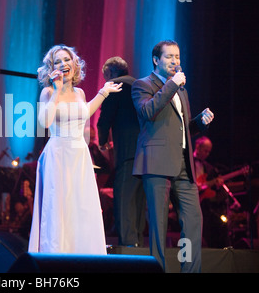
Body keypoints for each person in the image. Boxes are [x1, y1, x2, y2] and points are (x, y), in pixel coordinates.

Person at [28, 44, 122, 254]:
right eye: (58, 62)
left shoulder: (80, 92)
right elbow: (44, 122)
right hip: (58, 154)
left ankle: (83, 256)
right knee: (58, 208)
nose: (63, 64)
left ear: (74, 63)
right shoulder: (48, 91)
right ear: (52, 68)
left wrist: (103, 92)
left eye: (66, 60)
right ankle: (54, 257)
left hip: (79, 155)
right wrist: (57, 90)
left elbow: (85, 111)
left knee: (81, 207)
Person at [131, 40, 214, 273]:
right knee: (158, 225)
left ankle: (190, 270)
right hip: (156, 163)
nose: (175, 62)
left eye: (177, 57)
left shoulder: (181, 90)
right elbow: (148, 111)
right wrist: (172, 85)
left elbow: (181, 129)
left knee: (193, 222)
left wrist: (199, 122)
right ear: (156, 60)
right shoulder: (142, 85)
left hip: (183, 165)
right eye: (169, 57)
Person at [97, 56, 146, 247]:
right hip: (147, 153)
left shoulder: (114, 86)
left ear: (109, 73)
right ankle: (139, 246)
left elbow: (104, 119)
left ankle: (129, 248)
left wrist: (102, 142)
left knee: (124, 201)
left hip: (127, 153)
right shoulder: (141, 85)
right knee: (139, 202)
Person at [193, 136, 227, 248]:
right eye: (205, 150)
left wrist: (217, 186)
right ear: (198, 147)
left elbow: (212, 190)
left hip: (203, 205)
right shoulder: (186, 162)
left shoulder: (209, 168)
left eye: (209, 152)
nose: (207, 154)